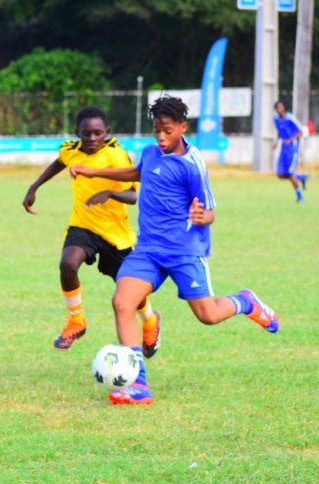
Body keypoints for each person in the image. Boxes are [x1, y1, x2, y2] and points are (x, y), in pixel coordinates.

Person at [71, 96, 279, 406]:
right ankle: (138, 383)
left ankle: (245, 302)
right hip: (148, 251)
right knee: (123, 302)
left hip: (184, 252)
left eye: (167, 130)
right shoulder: (151, 153)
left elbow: (210, 211)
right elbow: (137, 172)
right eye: (156, 130)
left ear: (183, 127)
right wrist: (92, 171)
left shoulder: (192, 164)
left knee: (207, 316)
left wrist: (201, 217)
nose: (161, 137)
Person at [23, 106, 160, 354]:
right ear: (78, 133)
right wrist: (34, 187)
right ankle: (76, 321)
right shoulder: (70, 150)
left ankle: (150, 320)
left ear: (107, 132)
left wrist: (108, 192)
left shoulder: (117, 155)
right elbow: (60, 162)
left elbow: (132, 196)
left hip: (116, 235)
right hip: (83, 226)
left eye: (98, 133)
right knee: (67, 264)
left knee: (131, 293)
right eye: (86, 134)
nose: (92, 139)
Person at [273, 101, 308, 202]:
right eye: (277, 107)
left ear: (284, 108)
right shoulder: (276, 119)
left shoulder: (290, 118)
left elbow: (301, 131)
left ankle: (300, 196)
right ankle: (301, 177)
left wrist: (291, 139)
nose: (279, 109)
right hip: (283, 148)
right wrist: (276, 142)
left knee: (290, 173)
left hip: (292, 148)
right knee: (280, 174)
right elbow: (279, 131)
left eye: (281, 107)